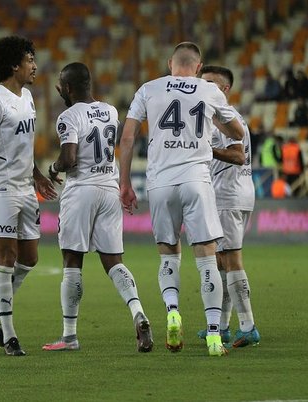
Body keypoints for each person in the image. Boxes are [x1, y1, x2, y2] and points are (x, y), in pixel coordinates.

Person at [118, 42, 245, 357]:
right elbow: (238, 132)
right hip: (196, 180)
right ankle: (214, 334)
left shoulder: (148, 89)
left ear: (169, 63)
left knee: (168, 256)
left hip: (160, 183)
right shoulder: (209, 91)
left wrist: (125, 183)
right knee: (207, 257)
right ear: (199, 67)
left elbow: (128, 137)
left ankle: (173, 312)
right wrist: (214, 119)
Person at [42, 62, 153, 353]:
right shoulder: (110, 111)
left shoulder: (68, 116)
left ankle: (69, 336)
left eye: (61, 86)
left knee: (72, 260)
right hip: (109, 188)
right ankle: (138, 312)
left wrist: (53, 169)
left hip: (81, 190)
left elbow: (69, 158)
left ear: (67, 88)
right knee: (114, 261)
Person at [0, 36, 57, 356]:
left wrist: (37, 175)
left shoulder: (27, 97)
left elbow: (22, 145)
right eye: (30, 60)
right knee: (5, 258)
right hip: (0, 188)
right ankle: (8, 335)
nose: (35, 66)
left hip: (25, 187)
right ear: (15, 65)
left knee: (29, 258)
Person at [197, 65, 260, 348]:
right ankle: (221, 326)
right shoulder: (218, 118)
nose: (204, 87)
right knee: (221, 261)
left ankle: (247, 326)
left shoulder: (226, 118)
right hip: (231, 194)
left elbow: (238, 156)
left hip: (228, 196)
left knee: (231, 260)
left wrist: (205, 150)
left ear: (225, 89)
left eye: (210, 83)